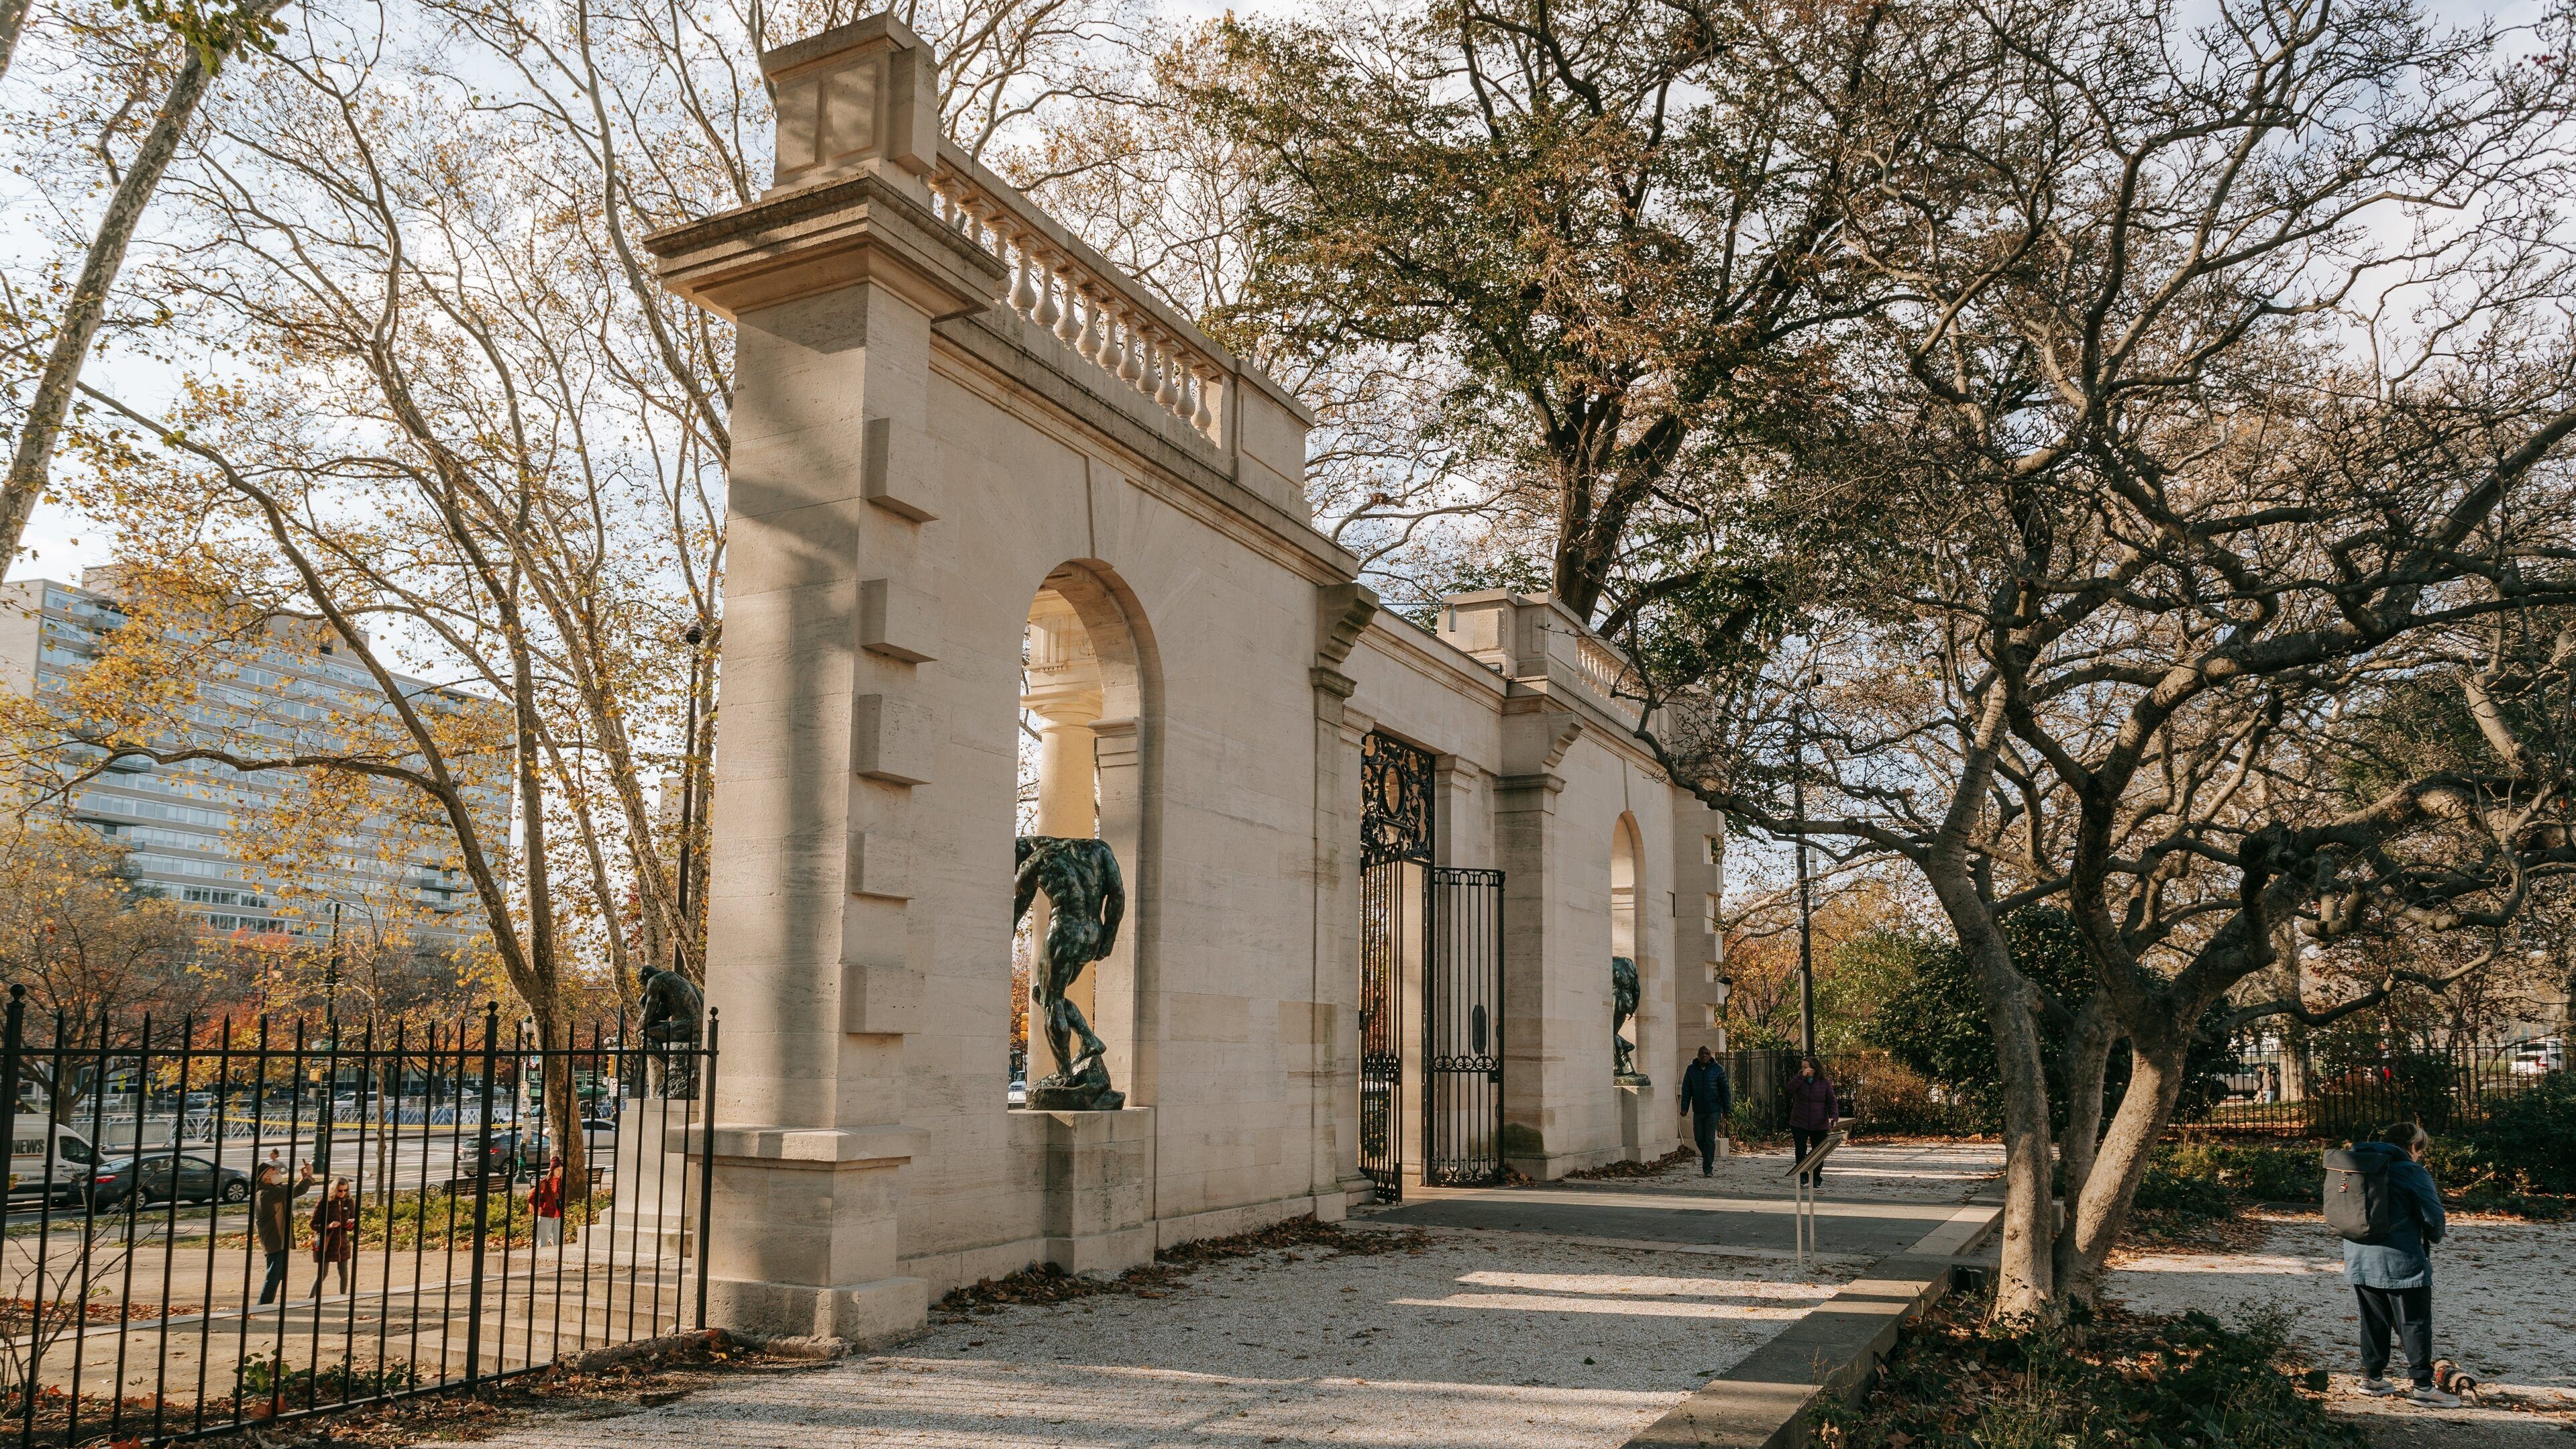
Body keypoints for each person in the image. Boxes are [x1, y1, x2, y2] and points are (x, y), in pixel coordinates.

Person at [2344, 1121, 2457, 1407]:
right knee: (2414, 1320)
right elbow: (2432, 1216)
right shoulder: (2410, 1170)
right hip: (2401, 1258)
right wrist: (2434, 1236)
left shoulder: (2358, 1163)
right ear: (2412, 1146)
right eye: (2420, 1149)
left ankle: (2372, 1377)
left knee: (2373, 1319)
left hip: (2359, 1254)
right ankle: (2422, 1386)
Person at [251, 1159, 315, 1306]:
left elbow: (289, 1190)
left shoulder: (270, 1190)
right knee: (273, 1276)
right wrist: (309, 1176)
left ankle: (265, 1305)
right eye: (273, 1170)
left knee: (276, 1275)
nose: (277, 1172)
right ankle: (262, 1306)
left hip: (277, 1239)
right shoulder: (267, 1193)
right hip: (275, 1240)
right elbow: (296, 1191)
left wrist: (304, 1179)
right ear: (265, 1177)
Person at [1678, 1047, 1733, 1176]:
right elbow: (1687, 1090)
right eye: (1702, 1054)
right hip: (1698, 1110)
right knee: (1699, 1138)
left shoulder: (1718, 1070)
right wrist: (1684, 1108)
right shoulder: (1691, 1070)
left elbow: (1725, 1090)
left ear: (1710, 1056)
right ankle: (1707, 1156)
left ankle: (1708, 1168)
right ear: (1698, 1055)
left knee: (1709, 1139)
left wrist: (1727, 1110)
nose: (1705, 1056)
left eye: (1707, 1054)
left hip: (1713, 1110)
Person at [1786, 1055, 1838, 1185]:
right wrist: (1801, 1077)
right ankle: (1802, 1175)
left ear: (1814, 1069)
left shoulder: (1824, 1083)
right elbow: (1790, 1089)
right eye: (1802, 1067)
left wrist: (1834, 1116)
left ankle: (1816, 1177)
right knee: (1800, 1149)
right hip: (1800, 1121)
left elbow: (1832, 1101)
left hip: (1819, 1122)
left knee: (1818, 1150)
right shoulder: (1799, 1080)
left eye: (1806, 1067)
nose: (1804, 1069)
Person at [309, 1177, 357, 1298]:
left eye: (345, 1190)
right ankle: (311, 1297)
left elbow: (353, 1221)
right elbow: (313, 1224)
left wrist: (350, 1225)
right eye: (340, 1191)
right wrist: (328, 1226)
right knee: (323, 1273)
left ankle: (343, 1297)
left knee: (344, 1272)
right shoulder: (324, 1202)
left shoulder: (349, 1202)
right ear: (334, 1190)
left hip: (342, 1241)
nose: (343, 1193)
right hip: (326, 1241)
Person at [531, 1154, 566, 1248]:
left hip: (558, 1217)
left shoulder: (560, 1183)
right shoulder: (544, 1183)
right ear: (552, 1170)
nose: (560, 1172)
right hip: (546, 1216)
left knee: (560, 1246)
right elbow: (531, 1197)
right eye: (558, 1170)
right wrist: (538, 1208)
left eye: (562, 1170)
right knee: (542, 1245)